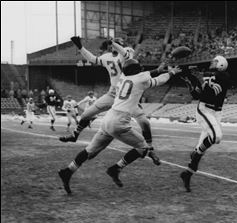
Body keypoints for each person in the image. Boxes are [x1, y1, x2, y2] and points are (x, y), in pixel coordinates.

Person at [58, 59, 182, 194]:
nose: (142, 69)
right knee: (143, 148)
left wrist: (158, 70)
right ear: (136, 71)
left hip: (108, 119)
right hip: (119, 121)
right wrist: (171, 72)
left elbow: (150, 76)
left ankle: (68, 171)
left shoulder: (123, 77)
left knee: (90, 151)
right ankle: (116, 168)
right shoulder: (140, 79)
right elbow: (160, 80)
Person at [59, 36, 162, 165]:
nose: (114, 46)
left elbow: (125, 54)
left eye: (117, 43)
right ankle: (75, 135)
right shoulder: (106, 57)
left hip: (127, 96)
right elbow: (92, 59)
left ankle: (150, 150)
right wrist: (80, 47)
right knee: (86, 114)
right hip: (113, 93)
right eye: (112, 44)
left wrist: (115, 43)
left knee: (144, 122)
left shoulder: (127, 51)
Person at [179, 55, 230, 192]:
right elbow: (198, 96)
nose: (211, 62)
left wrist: (199, 78)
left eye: (215, 61)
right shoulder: (209, 75)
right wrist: (192, 81)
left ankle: (187, 174)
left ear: (220, 64)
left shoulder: (222, 76)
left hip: (216, 112)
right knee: (216, 137)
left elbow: (210, 93)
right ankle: (195, 154)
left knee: (200, 150)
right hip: (205, 109)